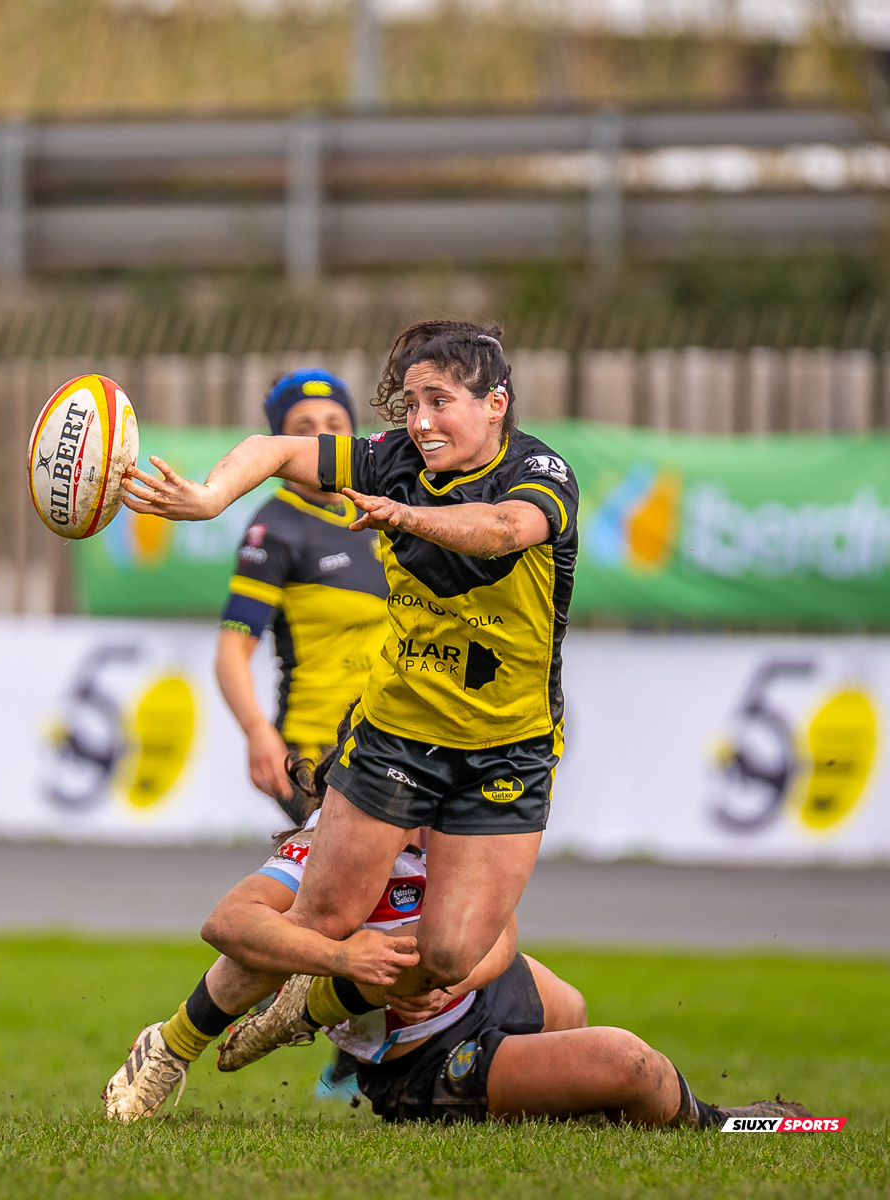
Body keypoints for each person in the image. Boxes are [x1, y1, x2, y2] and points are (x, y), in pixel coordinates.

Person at [123, 319, 575, 1003]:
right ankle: (174, 1046)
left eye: (439, 402)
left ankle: (312, 1016)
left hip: (507, 746)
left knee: (450, 951)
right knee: (325, 919)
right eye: (411, 403)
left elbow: (506, 530)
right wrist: (211, 498)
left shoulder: (538, 473)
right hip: (384, 735)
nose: (420, 421)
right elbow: (270, 451)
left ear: (496, 403)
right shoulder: (358, 480)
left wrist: (404, 515)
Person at [103, 731, 816, 1128]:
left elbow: (502, 937)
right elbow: (225, 921)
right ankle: (722, 1124)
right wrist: (342, 956)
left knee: (567, 1008)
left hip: (476, 998)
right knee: (629, 1066)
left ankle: (309, 1010)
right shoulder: (337, 844)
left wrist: (457, 973)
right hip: (420, 1057)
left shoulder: (452, 821)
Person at [212, 368, 387, 1101]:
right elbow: (231, 649)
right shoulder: (274, 525)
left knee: (382, 900)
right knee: (348, 904)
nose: (323, 438)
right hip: (318, 754)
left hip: (401, 746)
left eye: (335, 426)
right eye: (305, 428)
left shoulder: (387, 511)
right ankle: (343, 1046)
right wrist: (258, 730)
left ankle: (348, 1042)